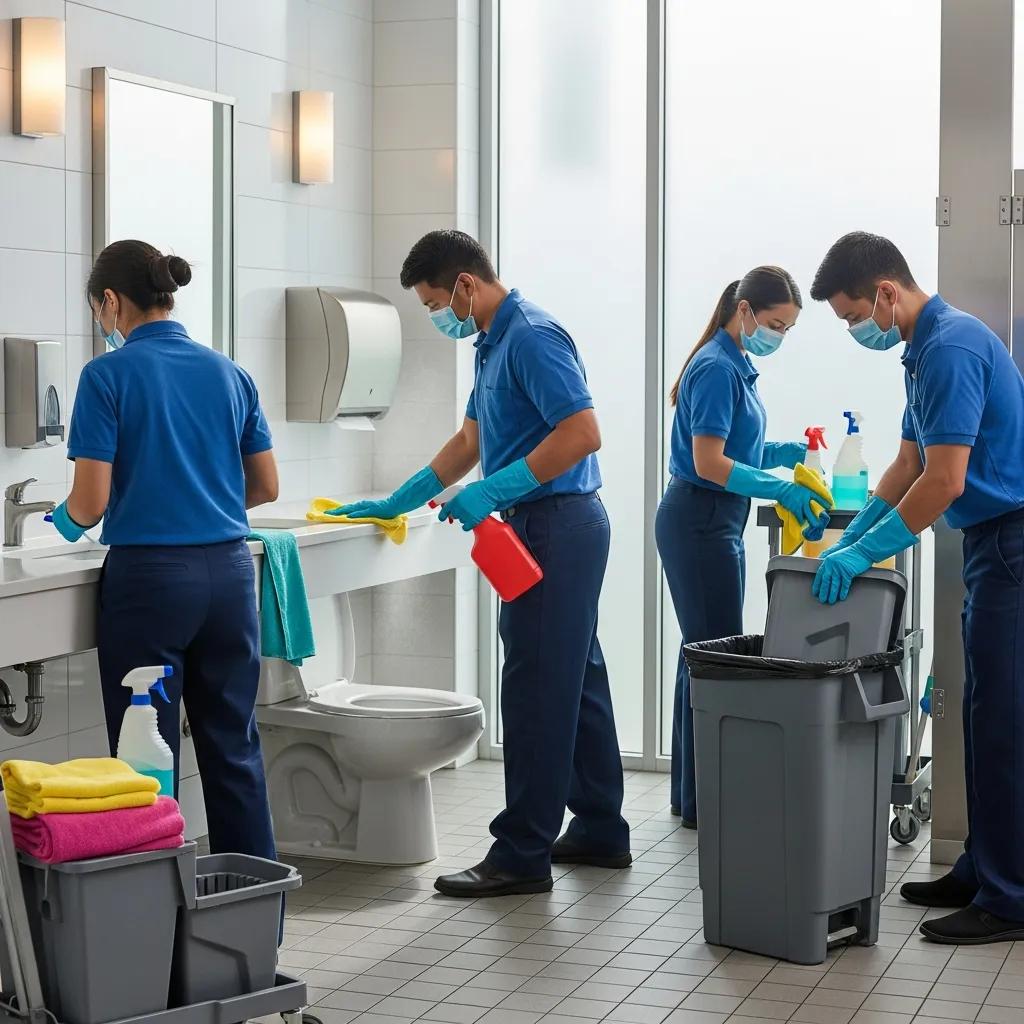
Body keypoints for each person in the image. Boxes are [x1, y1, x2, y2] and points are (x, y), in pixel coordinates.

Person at [336, 229, 629, 896]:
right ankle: (601, 829)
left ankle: (521, 854)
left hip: (557, 525)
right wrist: (401, 500)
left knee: (534, 688)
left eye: (437, 301)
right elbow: (471, 438)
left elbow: (583, 433)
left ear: (466, 284)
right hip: (544, 526)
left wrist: (494, 489)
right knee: (577, 680)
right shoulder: (493, 343)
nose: (439, 316)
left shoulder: (531, 335)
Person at [810, 230, 1024, 944]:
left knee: (1005, 724)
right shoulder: (922, 352)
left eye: (851, 317)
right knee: (978, 712)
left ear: (886, 294)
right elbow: (907, 462)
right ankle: (984, 868)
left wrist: (869, 551)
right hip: (992, 546)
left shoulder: (952, 348)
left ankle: (1010, 896)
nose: (853, 330)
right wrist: (854, 534)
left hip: (1013, 542)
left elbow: (946, 480)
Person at [52, 239, 280, 862]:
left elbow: (90, 502)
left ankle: (155, 935)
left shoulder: (106, 375)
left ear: (110, 301)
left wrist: (63, 522)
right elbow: (265, 486)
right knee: (234, 749)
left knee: (144, 760)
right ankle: (256, 934)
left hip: (151, 582)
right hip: (230, 578)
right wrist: (203, 499)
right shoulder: (230, 373)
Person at [656, 267, 825, 829]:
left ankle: (696, 796)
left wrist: (788, 451)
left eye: (787, 329)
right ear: (745, 309)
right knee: (715, 661)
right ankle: (707, 799)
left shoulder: (736, 366)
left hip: (714, 522)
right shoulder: (714, 367)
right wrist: (779, 488)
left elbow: (737, 444)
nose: (778, 335)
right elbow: (709, 462)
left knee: (704, 656)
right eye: (776, 323)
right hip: (699, 522)